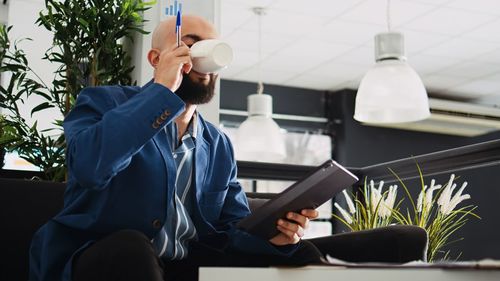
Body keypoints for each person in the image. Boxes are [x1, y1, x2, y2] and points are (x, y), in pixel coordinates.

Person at [29, 14, 323, 281]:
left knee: (303, 254)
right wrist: (161, 91)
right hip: (104, 256)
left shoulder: (217, 143)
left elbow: (232, 228)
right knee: (132, 249)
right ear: (156, 59)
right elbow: (90, 167)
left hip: (184, 263)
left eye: (213, 47)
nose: (207, 57)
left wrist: (274, 237)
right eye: (192, 45)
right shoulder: (104, 102)